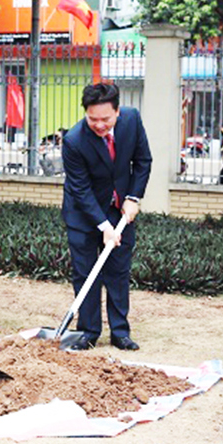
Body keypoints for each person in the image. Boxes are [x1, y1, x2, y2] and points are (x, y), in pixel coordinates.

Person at [61, 83, 152, 351]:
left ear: (117, 112)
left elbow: (143, 161)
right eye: (93, 119)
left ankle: (120, 332)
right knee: (85, 273)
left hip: (120, 209)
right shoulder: (74, 141)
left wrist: (133, 197)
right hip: (82, 214)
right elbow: (80, 188)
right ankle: (88, 331)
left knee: (118, 270)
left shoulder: (132, 120)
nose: (99, 125)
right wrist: (103, 225)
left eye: (105, 119)